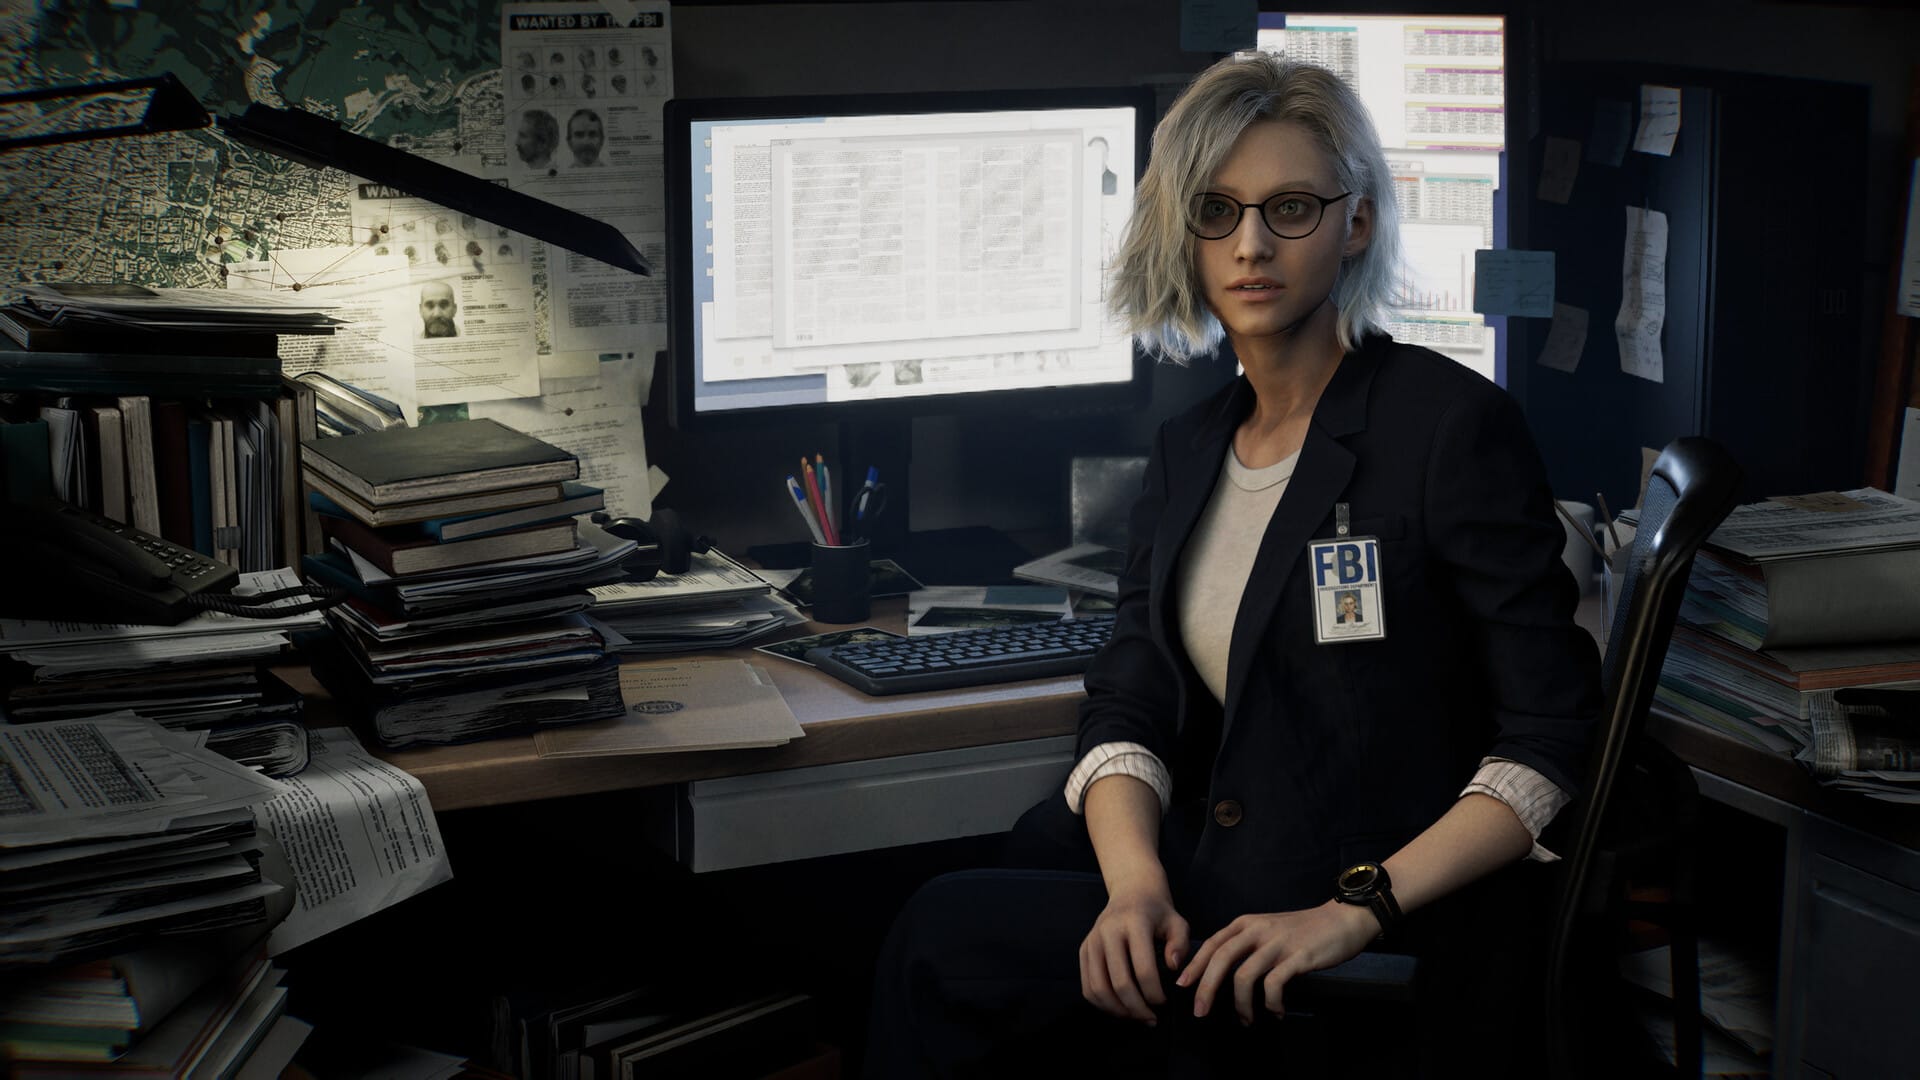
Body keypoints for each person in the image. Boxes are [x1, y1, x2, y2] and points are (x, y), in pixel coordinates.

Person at [866, 52, 1600, 1078]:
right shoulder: (1193, 443)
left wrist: (1356, 910)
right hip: (1225, 869)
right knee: (1015, 877)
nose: (1251, 245)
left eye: (1291, 208)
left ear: (1356, 224)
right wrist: (1134, 891)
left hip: (1365, 915)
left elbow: (1551, 740)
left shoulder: (1450, 427)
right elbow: (1129, 699)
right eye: (1217, 211)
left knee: (943, 941)